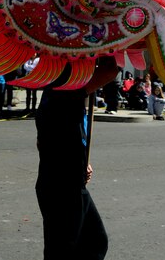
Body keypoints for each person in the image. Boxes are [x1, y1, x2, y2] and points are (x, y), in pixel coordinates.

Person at [35, 56, 118, 260]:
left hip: (67, 182)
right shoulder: (64, 94)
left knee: (95, 242)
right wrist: (103, 47)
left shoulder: (57, 96)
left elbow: (52, 142)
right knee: (63, 251)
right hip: (63, 188)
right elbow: (110, 70)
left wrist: (82, 162)